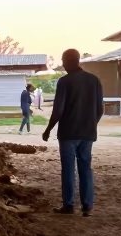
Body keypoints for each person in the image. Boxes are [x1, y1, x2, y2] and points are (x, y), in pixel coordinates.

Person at [42, 49, 104, 216]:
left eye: (63, 60)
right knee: (85, 168)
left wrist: (48, 129)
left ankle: (68, 205)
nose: (62, 64)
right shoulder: (94, 80)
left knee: (68, 169)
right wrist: (91, 124)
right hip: (88, 133)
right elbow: (100, 109)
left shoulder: (64, 82)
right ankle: (87, 206)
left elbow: (58, 110)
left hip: (68, 133)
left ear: (69, 60)